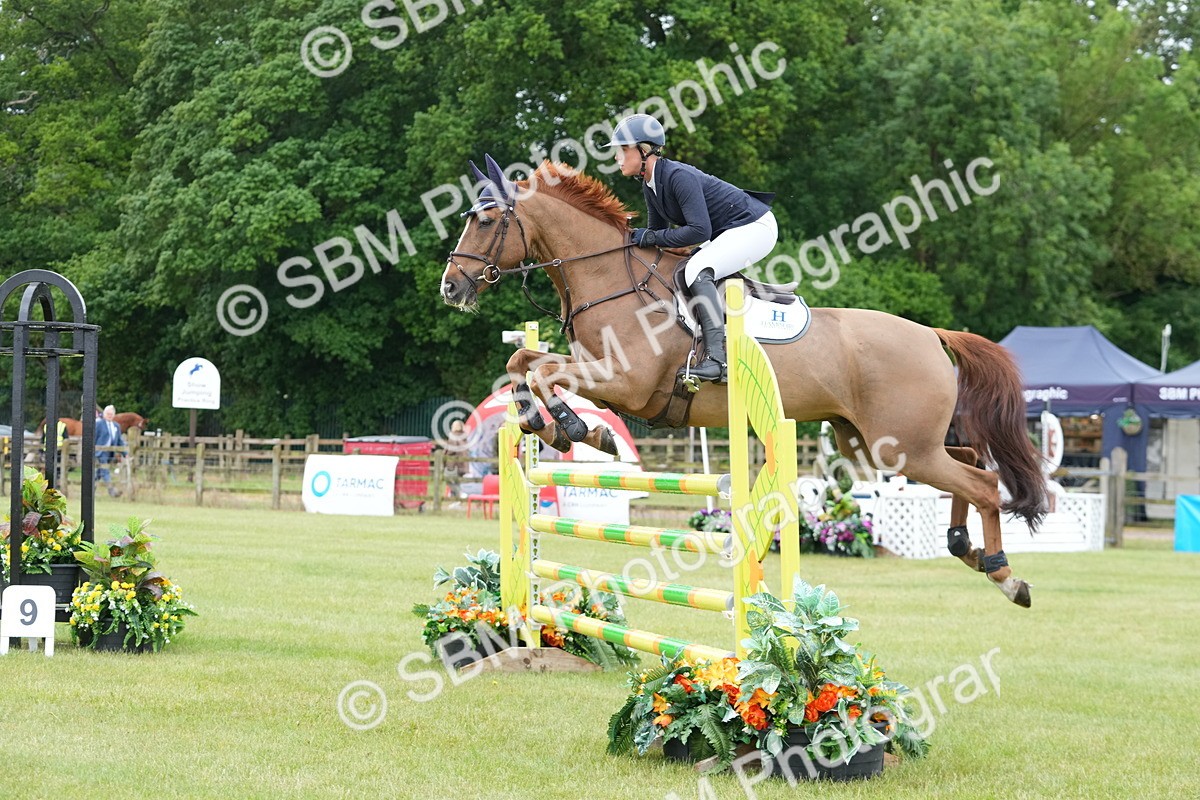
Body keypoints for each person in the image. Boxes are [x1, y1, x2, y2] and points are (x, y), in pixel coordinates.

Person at [607, 113, 779, 383]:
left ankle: (717, 360)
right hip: (730, 230)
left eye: (622, 149)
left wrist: (649, 238)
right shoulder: (651, 184)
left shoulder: (677, 176)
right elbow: (657, 234)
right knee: (681, 268)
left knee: (697, 269)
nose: (617, 157)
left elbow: (699, 231)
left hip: (755, 226)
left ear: (643, 150)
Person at [94, 405, 126, 497]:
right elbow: (93, 438)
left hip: (110, 453)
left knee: (99, 473)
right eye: (108, 414)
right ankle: (111, 491)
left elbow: (119, 441)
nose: (109, 415)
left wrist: (125, 453)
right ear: (104, 414)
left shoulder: (116, 426)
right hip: (100, 452)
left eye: (111, 414)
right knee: (105, 470)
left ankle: (90, 490)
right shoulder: (99, 424)